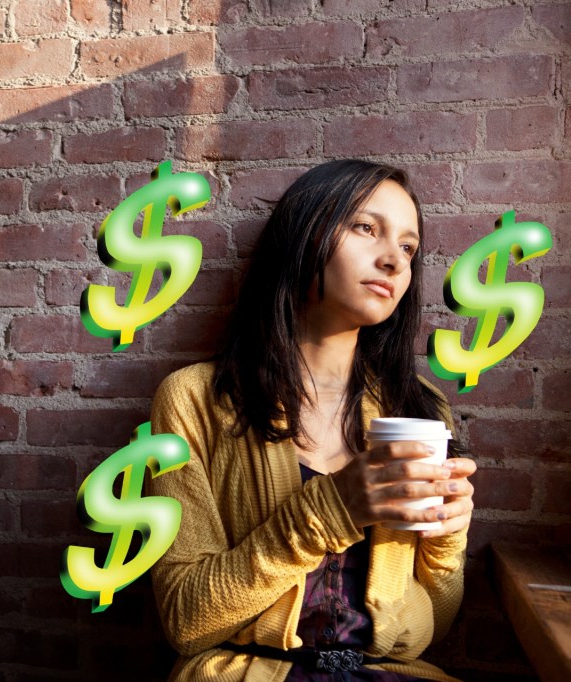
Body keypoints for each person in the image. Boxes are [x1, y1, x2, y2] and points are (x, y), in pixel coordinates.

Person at [148, 159, 476, 682]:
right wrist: (335, 507)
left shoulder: (421, 408)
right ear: (304, 235)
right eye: (367, 228)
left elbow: (431, 627)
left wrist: (445, 542)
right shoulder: (194, 400)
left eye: (409, 248)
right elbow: (187, 621)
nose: (394, 259)